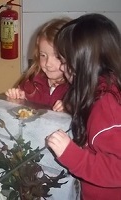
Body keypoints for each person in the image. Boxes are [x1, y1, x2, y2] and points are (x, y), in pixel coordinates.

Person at [46, 13, 121, 200]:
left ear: (83, 62)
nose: (62, 68)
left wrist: (72, 155)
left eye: (64, 61)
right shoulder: (103, 90)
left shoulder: (106, 107)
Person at [5, 18, 71, 112]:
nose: (48, 63)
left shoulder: (77, 90)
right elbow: (21, 117)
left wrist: (70, 112)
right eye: (43, 55)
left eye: (57, 57)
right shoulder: (31, 81)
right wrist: (18, 101)